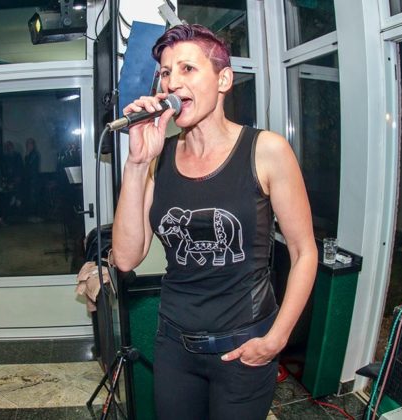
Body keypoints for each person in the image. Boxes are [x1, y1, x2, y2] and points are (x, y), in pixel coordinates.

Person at [112, 24, 318, 419]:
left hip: (244, 349)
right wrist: (136, 164)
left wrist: (276, 339)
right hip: (175, 348)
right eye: (166, 72)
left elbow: (303, 251)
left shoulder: (266, 150)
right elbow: (125, 258)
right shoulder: (157, 158)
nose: (172, 82)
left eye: (187, 68)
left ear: (223, 80)